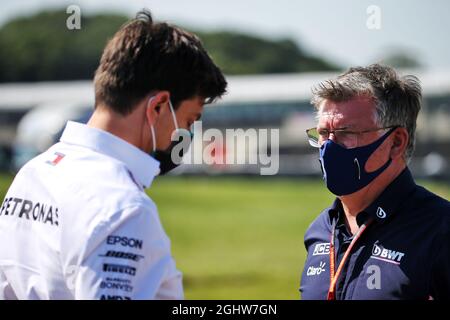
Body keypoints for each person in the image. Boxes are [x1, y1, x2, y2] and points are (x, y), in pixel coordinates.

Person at [0, 10, 227, 300]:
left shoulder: (33, 172)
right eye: (189, 121)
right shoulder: (124, 208)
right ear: (158, 107)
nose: (185, 134)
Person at [300, 64, 449, 300]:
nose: (328, 146)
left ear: (396, 142)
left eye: (346, 133)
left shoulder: (440, 231)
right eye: (323, 133)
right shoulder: (321, 230)